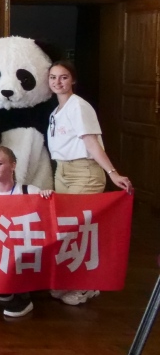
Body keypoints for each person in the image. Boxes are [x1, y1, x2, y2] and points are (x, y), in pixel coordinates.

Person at [47, 60, 131, 307]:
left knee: (80, 229)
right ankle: (71, 280)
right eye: (53, 77)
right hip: (62, 170)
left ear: (73, 80)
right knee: (66, 228)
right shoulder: (56, 111)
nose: (58, 82)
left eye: (63, 77)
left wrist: (112, 173)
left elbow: (91, 142)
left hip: (84, 171)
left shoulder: (79, 106)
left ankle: (87, 285)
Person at [0, 145, 53, 318]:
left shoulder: (31, 192)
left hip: (21, 251)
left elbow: (45, 224)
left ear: (13, 165)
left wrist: (49, 197)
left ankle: (21, 294)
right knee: (3, 295)